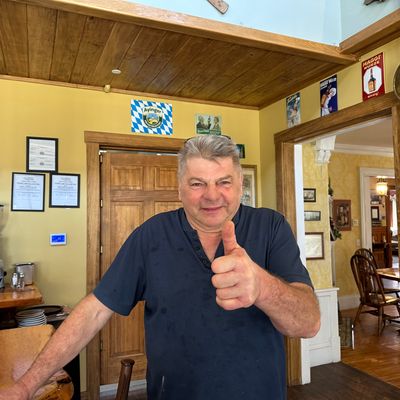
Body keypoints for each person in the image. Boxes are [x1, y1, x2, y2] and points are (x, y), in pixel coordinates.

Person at [0, 135, 320, 400]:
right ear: (179, 188)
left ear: (239, 185)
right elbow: (94, 310)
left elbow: (308, 323)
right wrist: (26, 386)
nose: (212, 195)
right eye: (197, 183)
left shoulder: (271, 227)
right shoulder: (151, 236)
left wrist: (261, 287)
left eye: (223, 182)